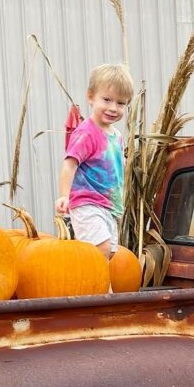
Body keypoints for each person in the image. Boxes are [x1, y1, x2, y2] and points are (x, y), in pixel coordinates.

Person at [55, 63, 132, 257]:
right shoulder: (87, 133)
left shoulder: (116, 136)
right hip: (87, 202)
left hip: (109, 205)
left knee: (111, 252)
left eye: (121, 103)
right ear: (91, 97)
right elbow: (70, 164)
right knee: (100, 248)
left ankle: (98, 284)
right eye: (106, 100)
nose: (113, 108)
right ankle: (98, 287)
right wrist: (64, 195)